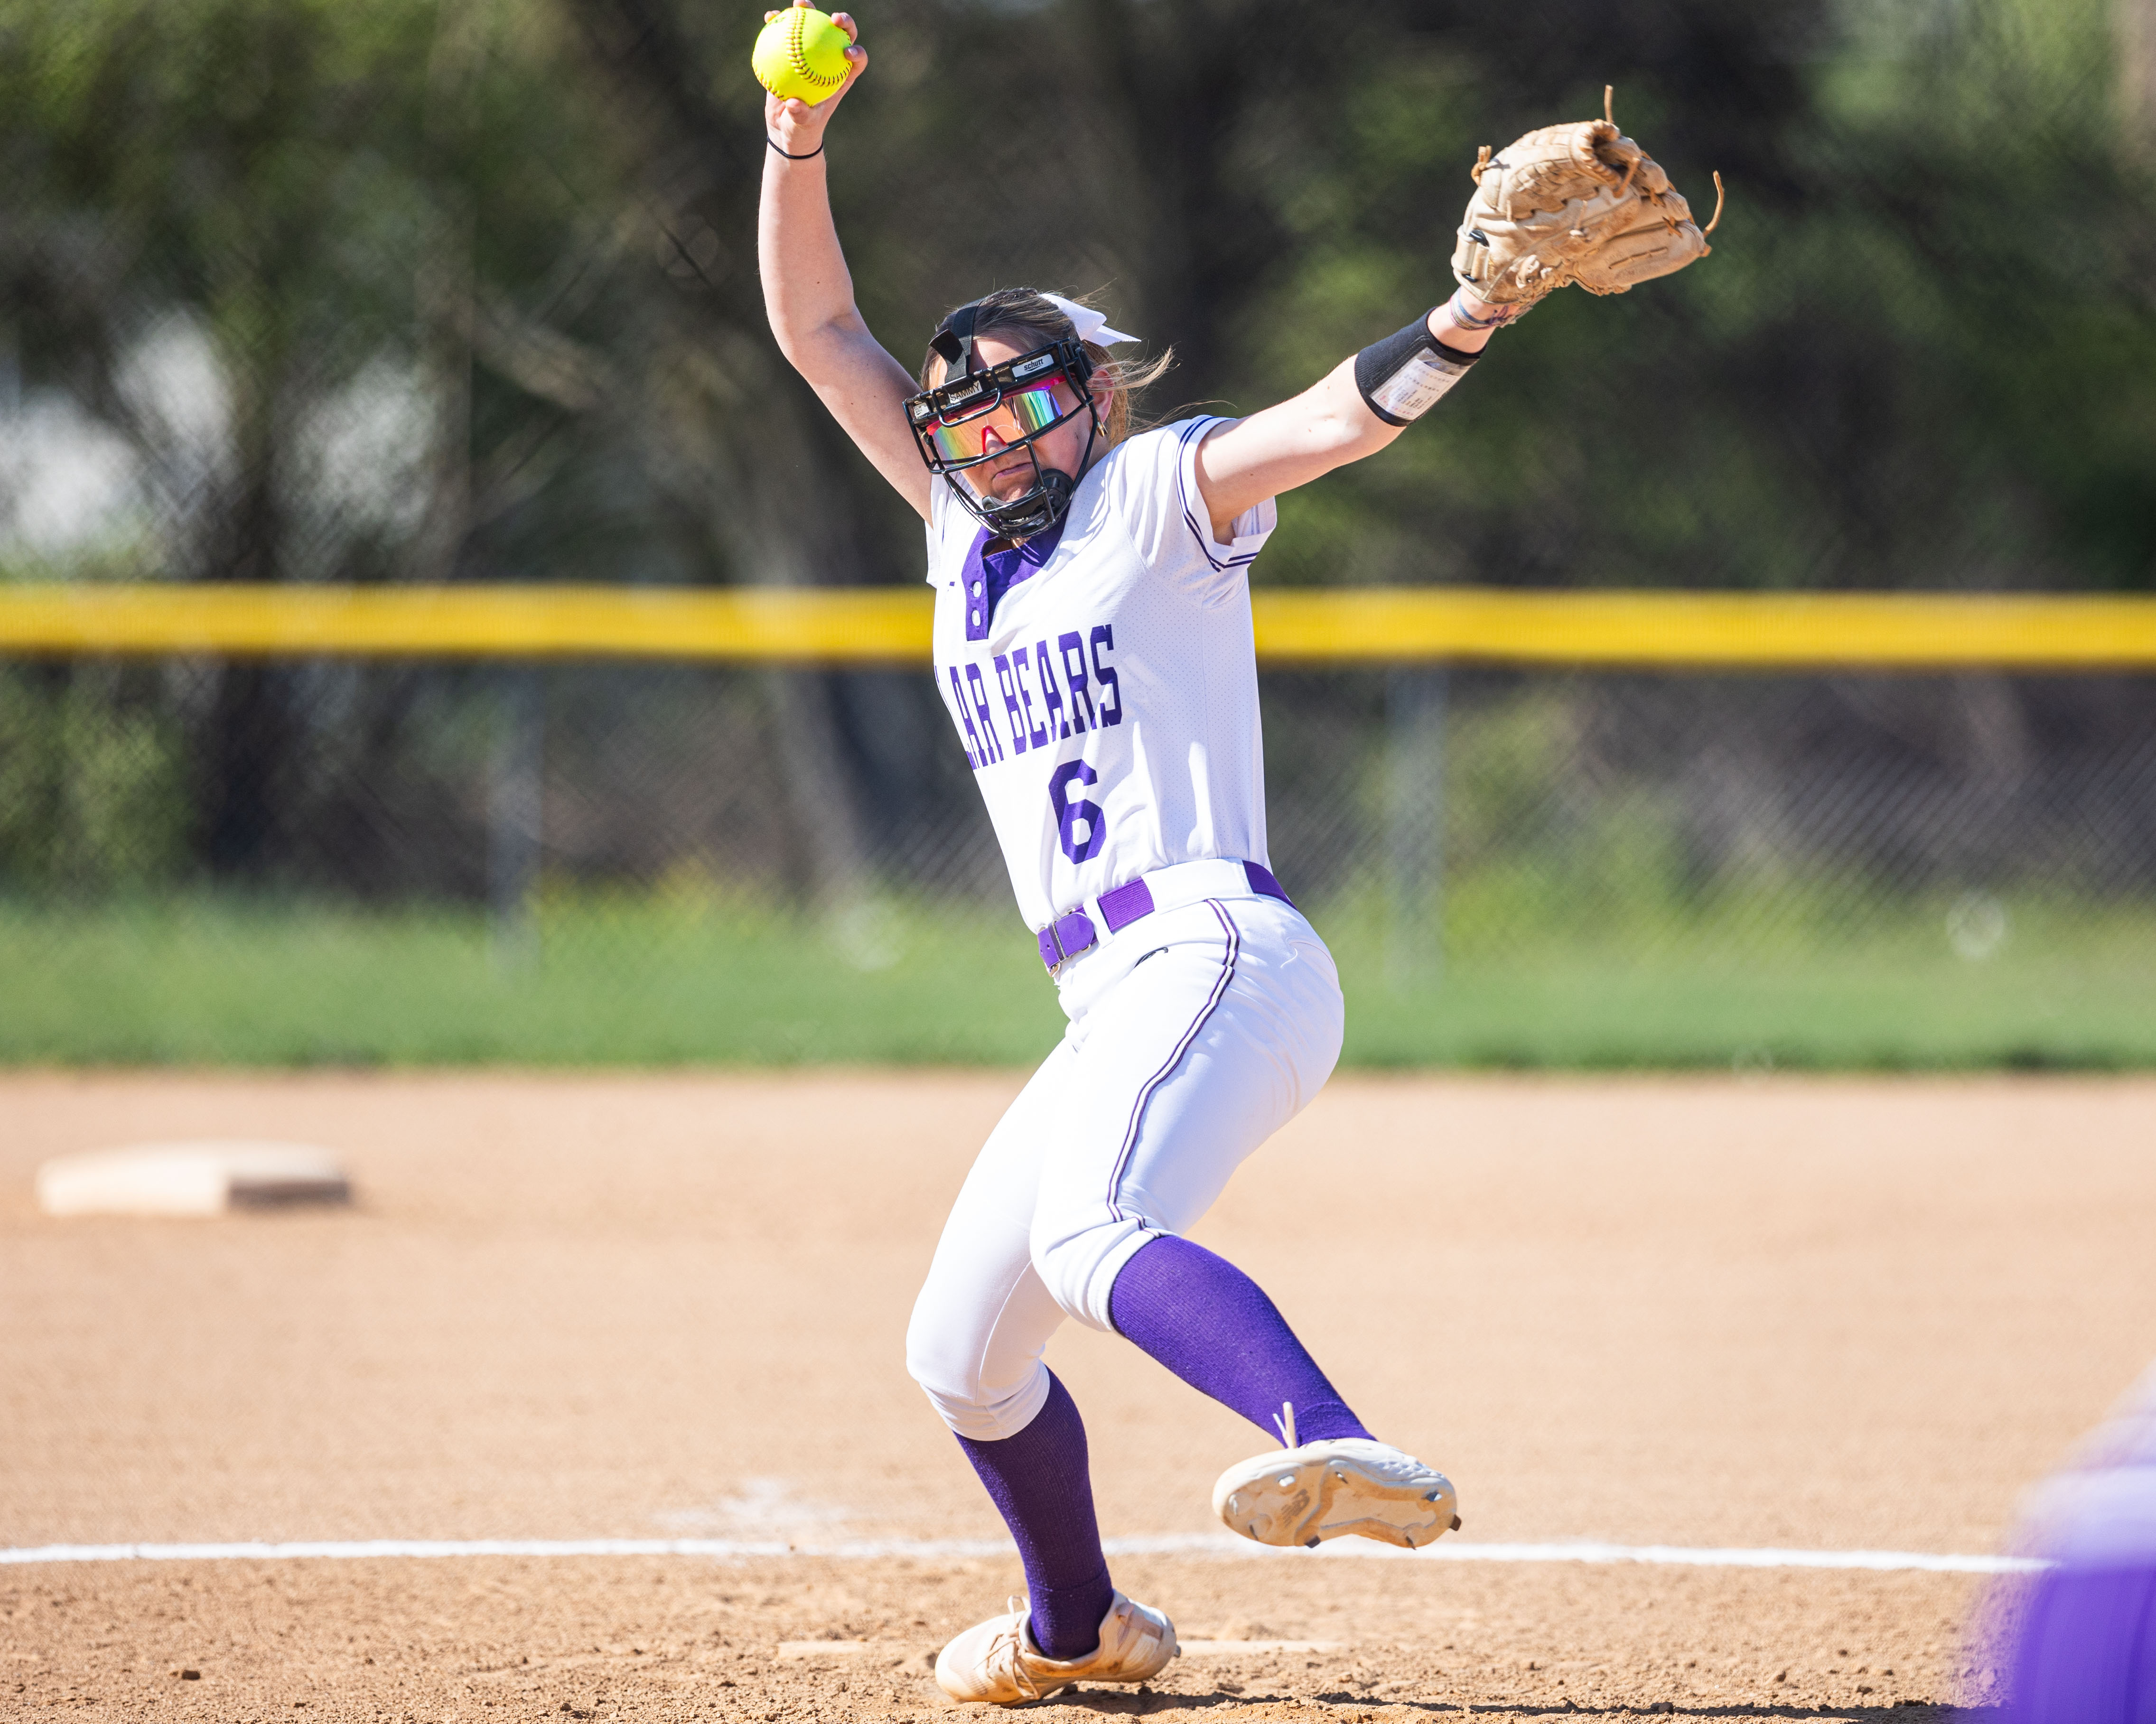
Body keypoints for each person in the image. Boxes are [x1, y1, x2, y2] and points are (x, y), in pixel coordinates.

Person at [758, 3, 1519, 1704]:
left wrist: (1467, 315)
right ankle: (1076, 1624)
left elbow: (1333, 422)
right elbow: (818, 327)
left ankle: (1334, 1434)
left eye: (1021, 405)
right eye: (963, 418)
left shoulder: (1157, 489)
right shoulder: (964, 538)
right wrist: (792, 137)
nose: (983, 437)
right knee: (959, 1353)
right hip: (1104, 994)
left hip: (1217, 948)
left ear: (1095, 394)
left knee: (1094, 1228)